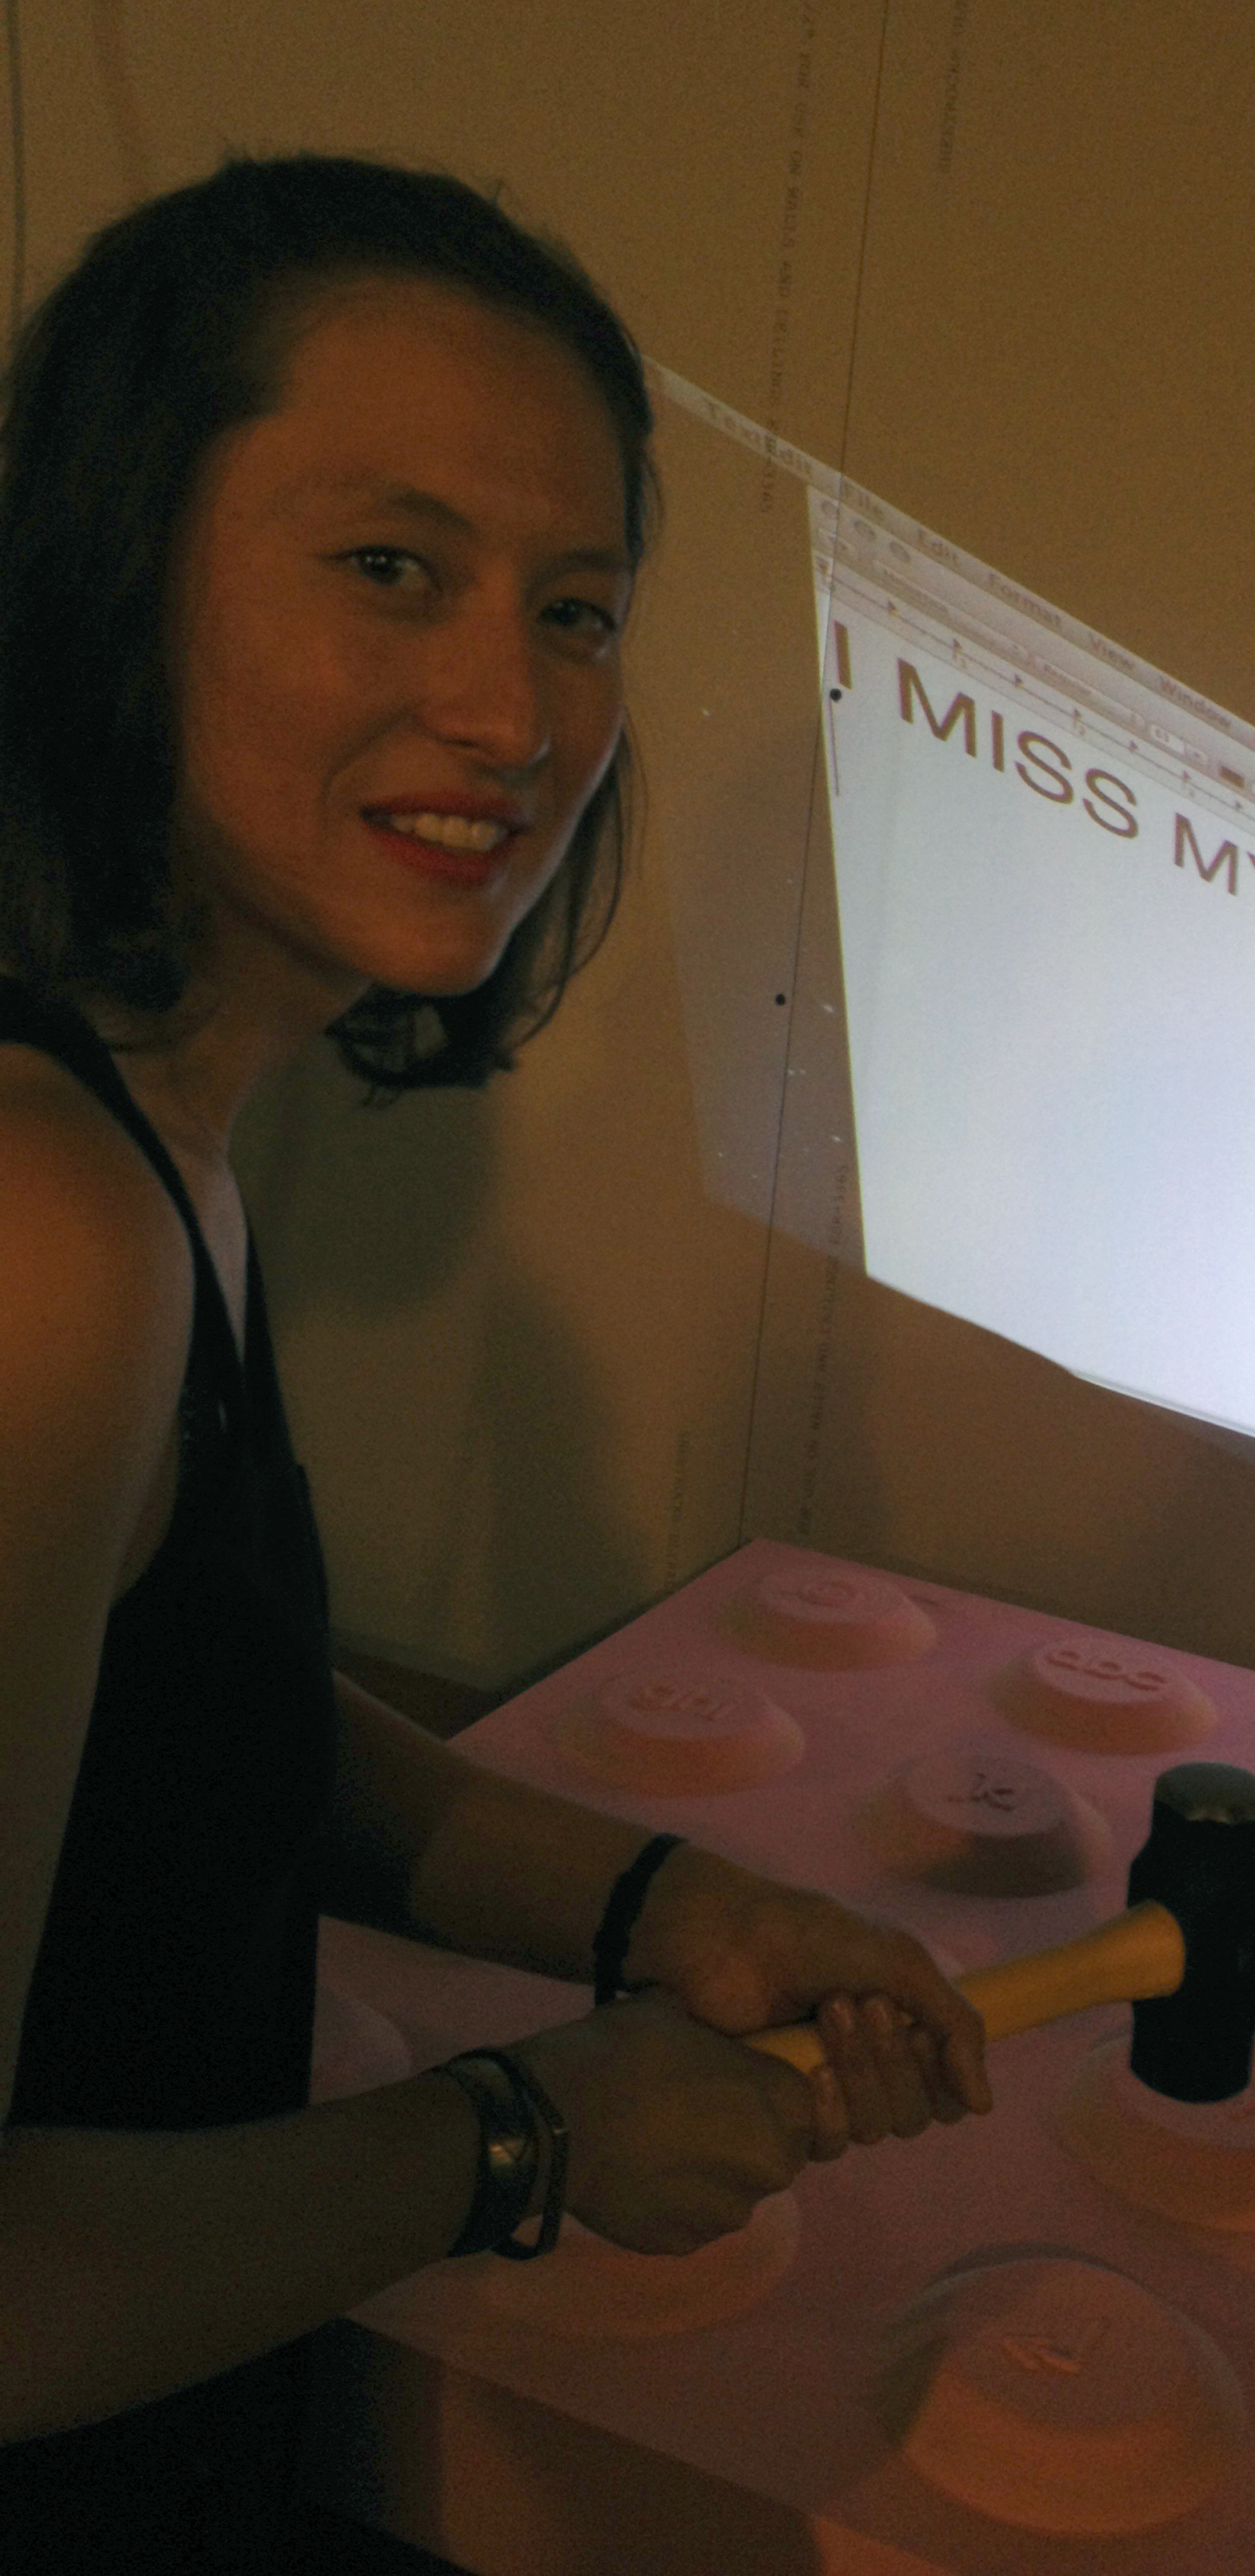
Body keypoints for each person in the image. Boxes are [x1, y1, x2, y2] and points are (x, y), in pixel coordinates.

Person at [0, 153, 990, 2572]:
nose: (513, 708)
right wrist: (529, 2139)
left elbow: (173, 1717)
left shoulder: (150, 1141)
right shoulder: (44, 1240)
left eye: (577, 609)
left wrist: (650, 1908)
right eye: (390, 566)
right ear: (109, 573)